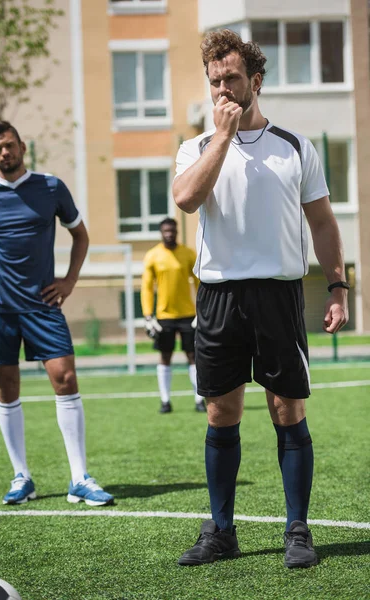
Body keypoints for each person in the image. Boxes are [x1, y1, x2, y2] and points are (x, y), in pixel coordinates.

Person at [173, 30, 349, 568]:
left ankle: (298, 530)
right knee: (221, 413)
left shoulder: (296, 146)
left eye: (231, 77)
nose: (223, 88)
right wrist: (221, 140)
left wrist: (339, 285)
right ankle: (222, 531)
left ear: (256, 79)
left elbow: (321, 221)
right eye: (214, 81)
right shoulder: (196, 147)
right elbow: (185, 198)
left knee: (287, 410)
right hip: (219, 296)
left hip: (278, 295)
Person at [0, 121, 114, 506]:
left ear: (22, 147)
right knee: (6, 388)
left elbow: (80, 234)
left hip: (43, 304)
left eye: (10, 145)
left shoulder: (51, 187)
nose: (5, 153)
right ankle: (22, 477)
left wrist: (68, 281)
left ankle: (79, 477)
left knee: (65, 379)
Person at [141, 217, 205, 413]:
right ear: (161, 233)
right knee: (165, 356)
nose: (169, 234)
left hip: (188, 315)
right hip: (164, 316)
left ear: (177, 232)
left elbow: (200, 283)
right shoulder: (153, 255)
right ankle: (165, 401)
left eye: (172, 230)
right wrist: (148, 315)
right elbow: (146, 287)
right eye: (166, 231)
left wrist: (201, 311)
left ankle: (199, 400)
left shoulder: (188, 254)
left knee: (193, 355)